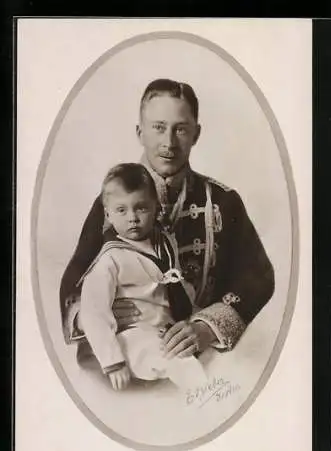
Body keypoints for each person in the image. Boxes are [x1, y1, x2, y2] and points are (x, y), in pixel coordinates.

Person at [60, 78, 275, 363]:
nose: (169, 143)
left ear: (196, 134)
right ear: (140, 132)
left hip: (197, 364)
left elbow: (258, 278)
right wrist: (90, 317)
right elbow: (74, 280)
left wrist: (206, 328)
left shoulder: (224, 201)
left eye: (181, 129)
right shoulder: (113, 204)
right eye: (158, 128)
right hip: (116, 362)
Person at [78, 162, 206, 390]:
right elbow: (94, 313)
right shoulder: (110, 258)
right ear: (107, 214)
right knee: (183, 365)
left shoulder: (164, 242)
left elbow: (173, 284)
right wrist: (113, 362)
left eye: (141, 208)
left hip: (163, 328)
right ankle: (205, 404)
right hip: (132, 335)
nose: (132, 218)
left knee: (200, 357)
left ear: (156, 207)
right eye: (121, 210)